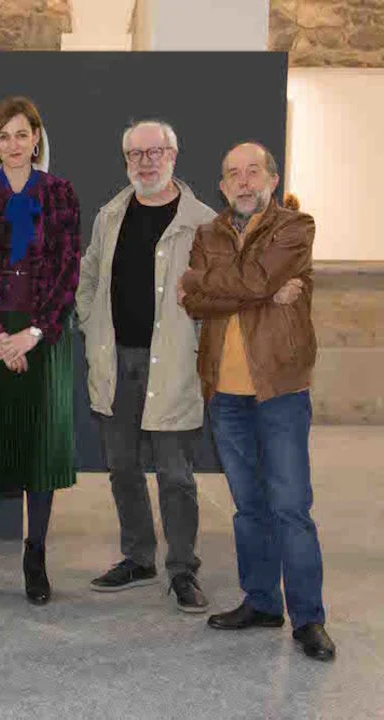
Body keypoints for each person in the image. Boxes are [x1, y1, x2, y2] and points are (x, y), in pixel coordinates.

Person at [178, 141, 335, 661]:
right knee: (249, 507)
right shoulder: (207, 234)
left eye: (252, 172)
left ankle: (309, 618)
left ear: (272, 179)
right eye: (233, 174)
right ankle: (263, 602)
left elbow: (245, 280)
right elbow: (194, 300)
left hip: (280, 390)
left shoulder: (296, 227)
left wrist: (217, 282)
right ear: (222, 186)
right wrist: (263, 291)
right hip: (225, 395)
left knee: (290, 506)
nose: (243, 182)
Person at [76, 120, 216, 612]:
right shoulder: (110, 215)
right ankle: (138, 557)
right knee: (122, 467)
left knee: (175, 474)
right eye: (136, 154)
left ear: (173, 155)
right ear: (125, 161)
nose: (146, 162)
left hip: (173, 365)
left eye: (155, 152)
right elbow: (89, 276)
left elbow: (216, 294)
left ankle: (182, 569)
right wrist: (90, 322)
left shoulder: (203, 222)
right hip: (117, 362)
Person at [0, 96, 80, 605]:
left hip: (42, 335)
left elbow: (69, 270)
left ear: (37, 138)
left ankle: (36, 559)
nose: (13, 144)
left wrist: (35, 333)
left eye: (22, 134)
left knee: (39, 449)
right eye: (3, 136)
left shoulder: (61, 193)